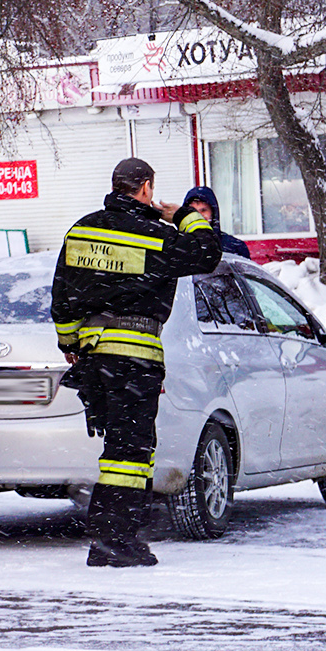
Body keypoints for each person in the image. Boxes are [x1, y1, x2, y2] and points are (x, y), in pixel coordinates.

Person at [52, 159, 222, 567]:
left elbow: (62, 296)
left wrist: (71, 343)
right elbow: (208, 253)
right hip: (135, 357)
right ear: (145, 188)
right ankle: (114, 541)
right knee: (130, 452)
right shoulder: (157, 235)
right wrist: (183, 215)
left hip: (96, 358)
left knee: (119, 449)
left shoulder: (82, 230)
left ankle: (115, 538)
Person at [181, 185, 252, 258]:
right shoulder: (179, 246)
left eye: (203, 210)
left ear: (213, 213)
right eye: (193, 211)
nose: (199, 215)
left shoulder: (234, 247)